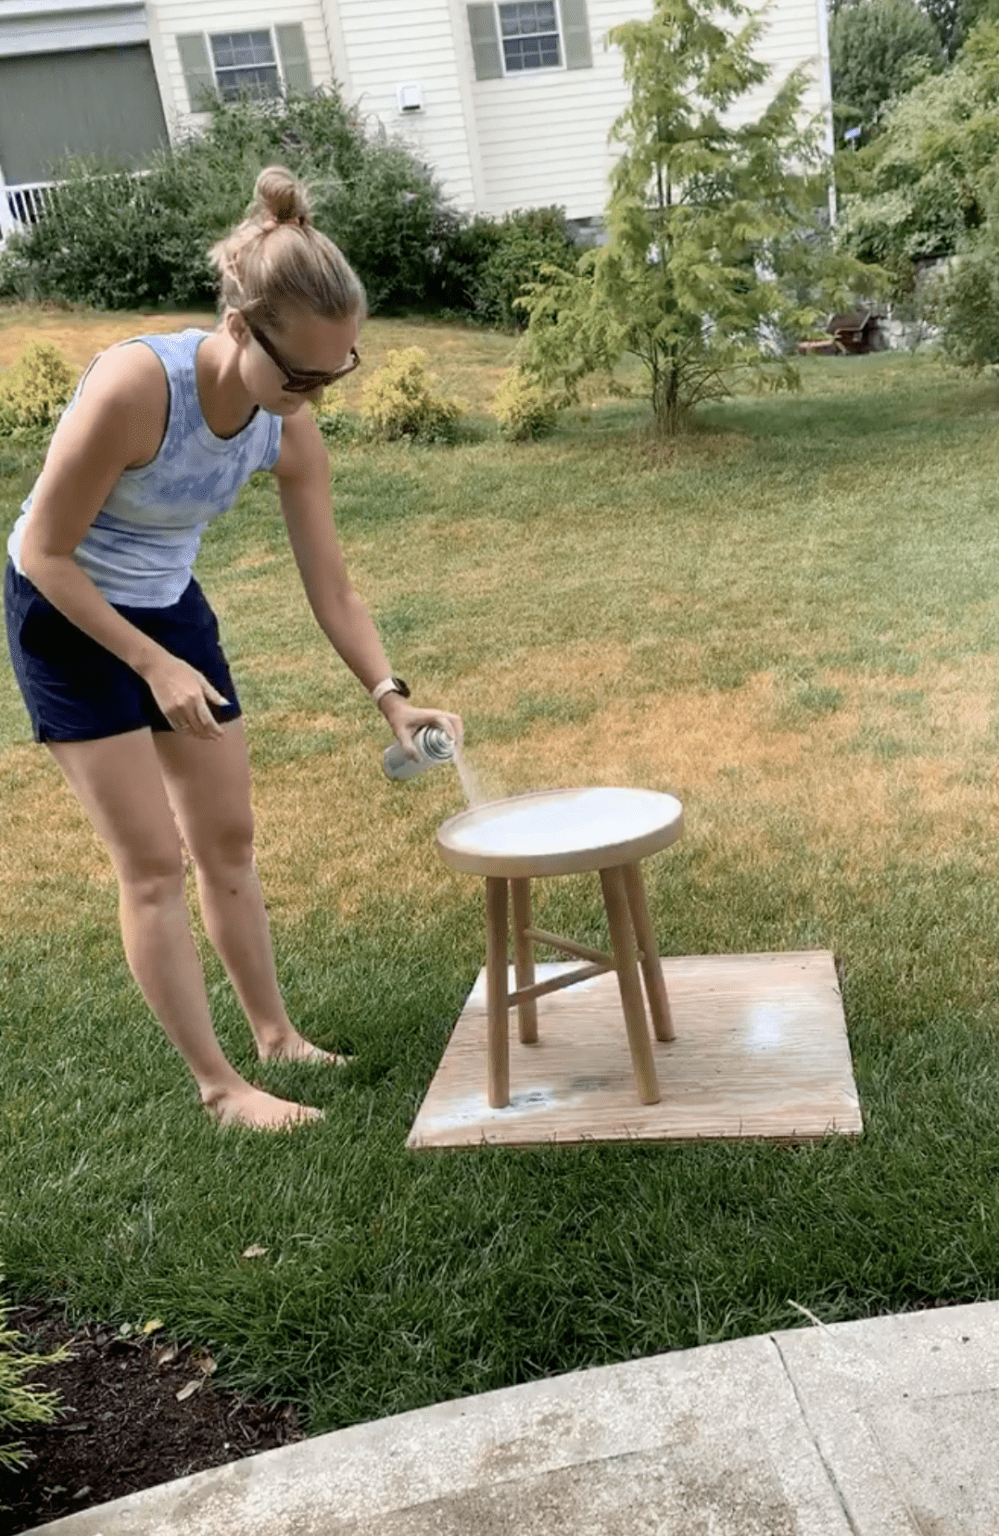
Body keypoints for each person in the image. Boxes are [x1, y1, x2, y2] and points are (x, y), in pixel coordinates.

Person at [3, 165, 463, 1131]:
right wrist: (149, 663)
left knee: (228, 842)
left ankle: (276, 1037)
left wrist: (391, 695)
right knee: (153, 863)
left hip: (169, 610)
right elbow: (44, 552)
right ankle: (220, 1089)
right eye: (300, 375)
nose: (314, 395)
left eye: (337, 375)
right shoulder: (136, 388)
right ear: (240, 328)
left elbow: (330, 584)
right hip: (67, 613)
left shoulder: (285, 426)